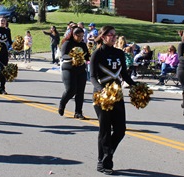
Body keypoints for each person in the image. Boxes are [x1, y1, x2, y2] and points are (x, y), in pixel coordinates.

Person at [90, 25, 137, 175]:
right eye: (110, 35)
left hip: (117, 96)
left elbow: (124, 74)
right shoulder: (97, 53)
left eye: (114, 35)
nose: (113, 37)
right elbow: (91, 77)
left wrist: (137, 86)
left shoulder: (119, 53)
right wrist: (100, 89)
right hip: (102, 96)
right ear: (103, 37)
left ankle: (107, 155)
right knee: (104, 130)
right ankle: (103, 162)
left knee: (120, 130)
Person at [58, 26, 90, 119]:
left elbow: (87, 56)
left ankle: (78, 112)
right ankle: (62, 103)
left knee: (80, 91)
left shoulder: (83, 45)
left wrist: (91, 55)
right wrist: (72, 57)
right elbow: (63, 55)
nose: (81, 38)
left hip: (80, 70)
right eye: (79, 36)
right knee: (71, 90)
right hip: (68, 68)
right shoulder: (67, 43)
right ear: (74, 35)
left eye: (82, 36)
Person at [0, 17, 12, 95]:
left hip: (4, 51)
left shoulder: (7, 30)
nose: (2, 22)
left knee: (5, 70)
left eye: (4, 21)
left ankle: (2, 88)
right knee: (1, 68)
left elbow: (9, 41)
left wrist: (15, 45)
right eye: (1, 21)